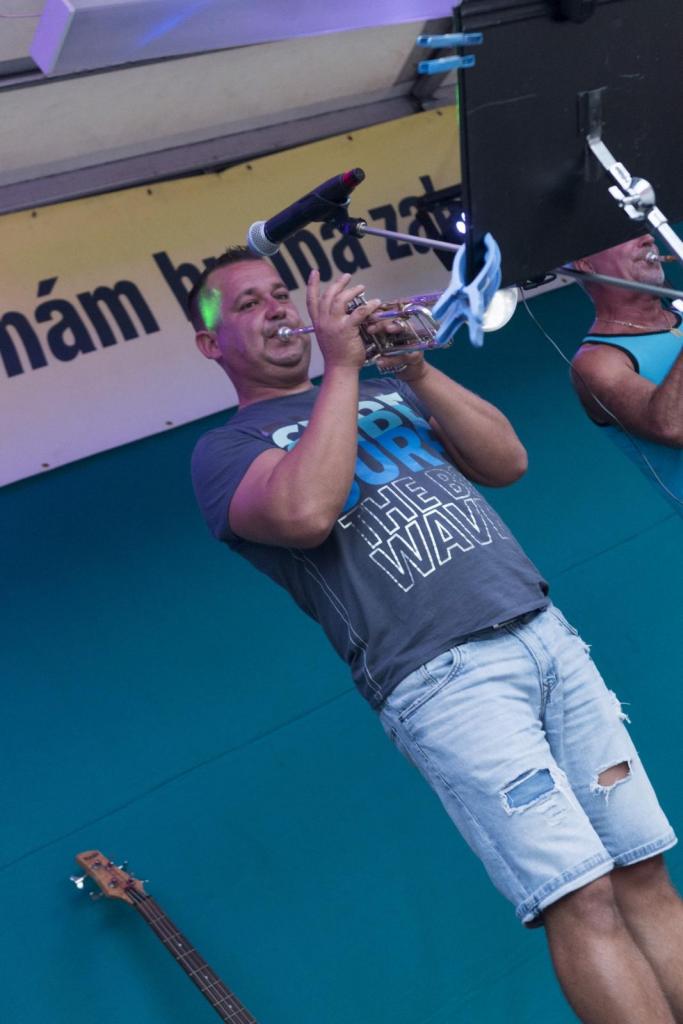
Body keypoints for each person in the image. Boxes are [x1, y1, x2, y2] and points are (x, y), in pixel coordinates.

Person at [189, 246, 682, 1024]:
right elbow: (304, 514)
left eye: (281, 293)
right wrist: (341, 368)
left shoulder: (388, 389)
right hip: (442, 678)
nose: (277, 309)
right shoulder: (225, 451)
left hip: (543, 634)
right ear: (208, 345)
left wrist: (413, 369)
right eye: (247, 304)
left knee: (642, 870)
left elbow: (506, 460)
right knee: (578, 894)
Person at [571, 233, 683, 513]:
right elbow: (672, 426)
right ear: (585, 263)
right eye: (624, 234)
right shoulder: (596, 361)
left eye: (642, 229)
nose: (647, 238)